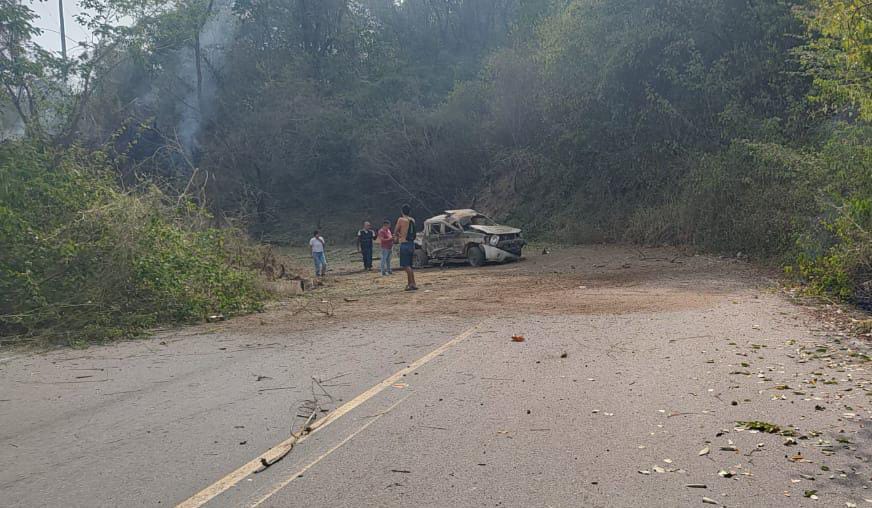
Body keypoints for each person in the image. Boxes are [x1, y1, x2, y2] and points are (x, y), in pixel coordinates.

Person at [394, 204, 418, 291]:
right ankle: (410, 284)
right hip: (411, 244)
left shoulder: (401, 219)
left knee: (405, 265)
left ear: (402, 211)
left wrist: (397, 236)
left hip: (404, 244)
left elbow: (396, 230)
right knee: (409, 265)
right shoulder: (412, 220)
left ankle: (412, 283)